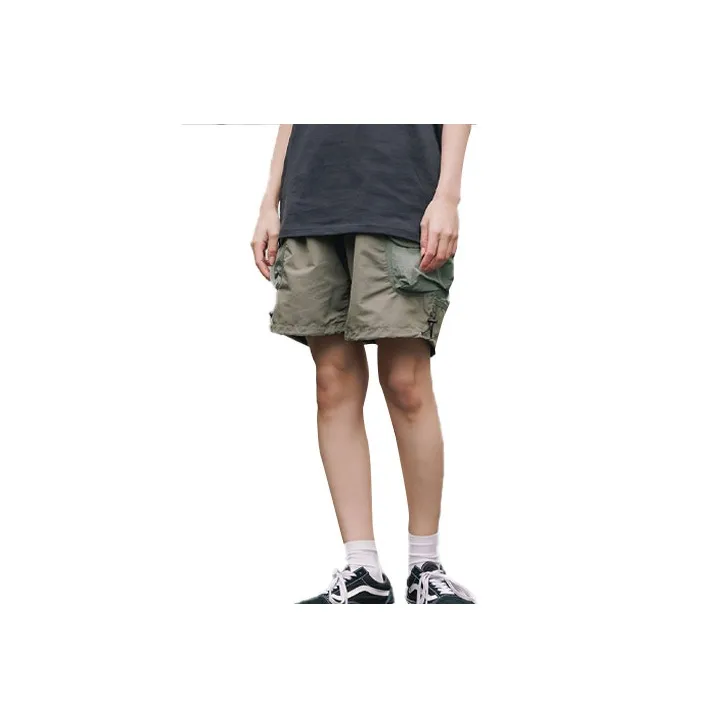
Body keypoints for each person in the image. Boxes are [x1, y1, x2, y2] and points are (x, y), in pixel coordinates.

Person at [251, 124, 475, 604]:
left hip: (400, 192)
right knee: (332, 382)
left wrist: (448, 195)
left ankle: (425, 566)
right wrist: (270, 199)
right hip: (311, 197)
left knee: (406, 381)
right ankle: (362, 570)